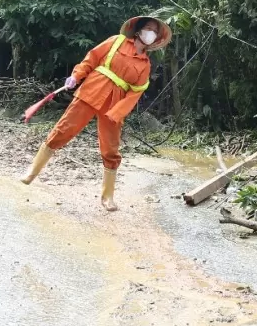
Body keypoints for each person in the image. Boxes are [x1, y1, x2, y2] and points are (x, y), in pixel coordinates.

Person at [21, 16, 171, 211]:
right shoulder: (115, 41)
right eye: (149, 28)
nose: (151, 33)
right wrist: (76, 76)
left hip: (115, 105)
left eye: (155, 31)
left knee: (111, 149)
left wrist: (118, 112)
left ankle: (107, 196)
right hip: (92, 90)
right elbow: (91, 59)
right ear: (138, 30)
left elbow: (135, 92)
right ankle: (31, 173)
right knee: (63, 130)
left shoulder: (145, 64)